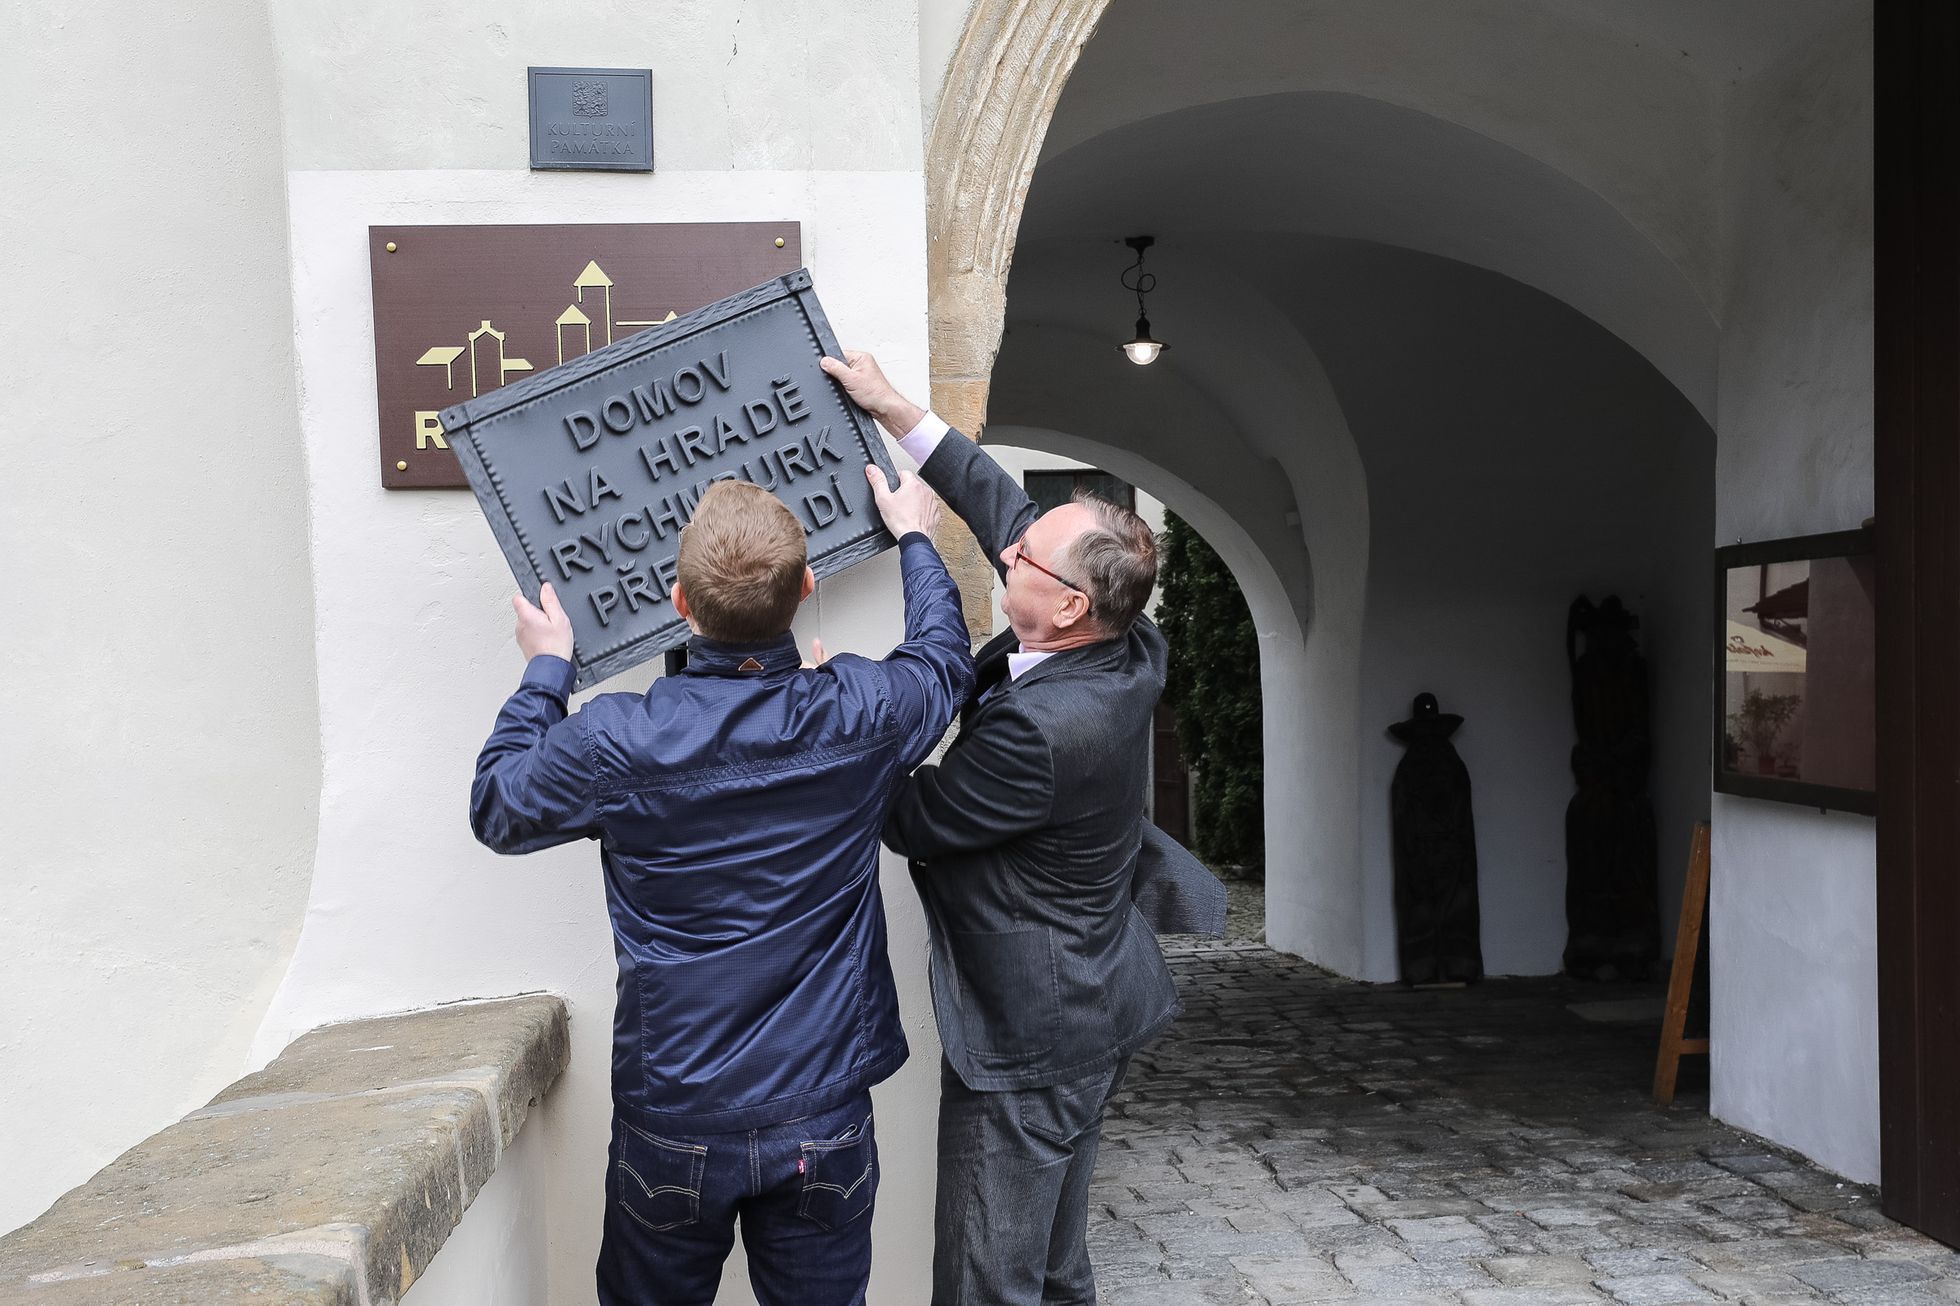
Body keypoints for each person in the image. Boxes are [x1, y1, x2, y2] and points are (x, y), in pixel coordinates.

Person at [469, 471, 972, 1306]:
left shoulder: (615, 741)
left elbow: (499, 806)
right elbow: (942, 660)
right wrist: (915, 537)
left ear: (680, 602)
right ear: (806, 589)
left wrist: (546, 672)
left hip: (675, 1116)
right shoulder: (859, 714)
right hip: (823, 1116)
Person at [821, 350, 1193, 1305]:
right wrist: (894, 406)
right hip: (1093, 1000)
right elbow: (1001, 508)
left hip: (1034, 1035)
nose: (1008, 550)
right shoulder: (1129, 634)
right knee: (1057, 1273)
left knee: (991, 1282)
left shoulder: (1043, 733)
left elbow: (913, 817)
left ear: (1068, 604)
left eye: (1024, 559)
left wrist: (832, 707)